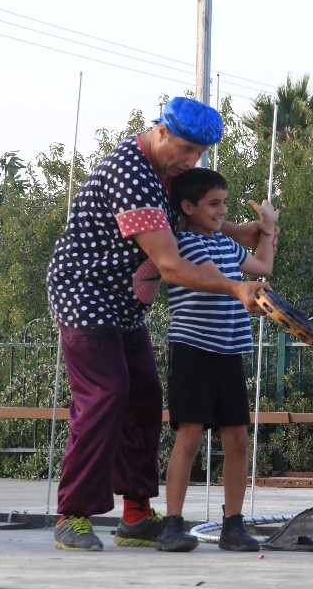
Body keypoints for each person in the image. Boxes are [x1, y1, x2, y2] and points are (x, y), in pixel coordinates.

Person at [46, 97, 272, 551]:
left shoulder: (163, 174)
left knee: (145, 399)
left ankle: (135, 516)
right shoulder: (130, 170)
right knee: (106, 395)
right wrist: (234, 288)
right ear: (161, 131)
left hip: (125, 307)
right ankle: (73, 514)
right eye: (185, 150)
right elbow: (168, 263)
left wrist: (236, 230)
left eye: (197, 155)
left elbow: (178, 217)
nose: (189, 161)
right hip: (84, 298)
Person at [156, 168, 278, 552]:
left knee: (238, 439)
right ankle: (172, 523)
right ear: (188, 207)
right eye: (214, 203)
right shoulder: (186, 243)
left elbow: (262, 267)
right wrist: (246, 288)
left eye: (224, 202)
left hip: (229, 350)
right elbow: (214, 278)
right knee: (189, 438)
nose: (222, 210)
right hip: (193, 349)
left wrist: (268, 230)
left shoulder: (226, 245)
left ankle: (233, 524)